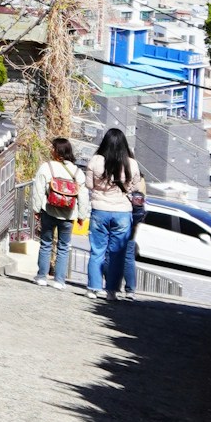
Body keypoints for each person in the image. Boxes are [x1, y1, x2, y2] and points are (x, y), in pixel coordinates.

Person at [85, 126, 145, 299]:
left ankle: (93, 288)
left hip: (99, 209)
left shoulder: (95, 160)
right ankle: (111, 291)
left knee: (97, 251)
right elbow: (134, 187)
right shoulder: (131, 163)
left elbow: (89, 185)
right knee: (117, 254)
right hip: (122, 212)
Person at [28, 137, 86, 288]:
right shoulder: (77, 172)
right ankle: (59, 281)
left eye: (52, 148)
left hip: (49, 210)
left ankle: (41, 277)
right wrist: (81, 216)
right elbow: (83, 196)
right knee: (63, 246)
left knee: (46, 243)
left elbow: (38, 189)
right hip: (68, 214)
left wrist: (36, 208)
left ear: (56, 151)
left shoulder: (47, 167)